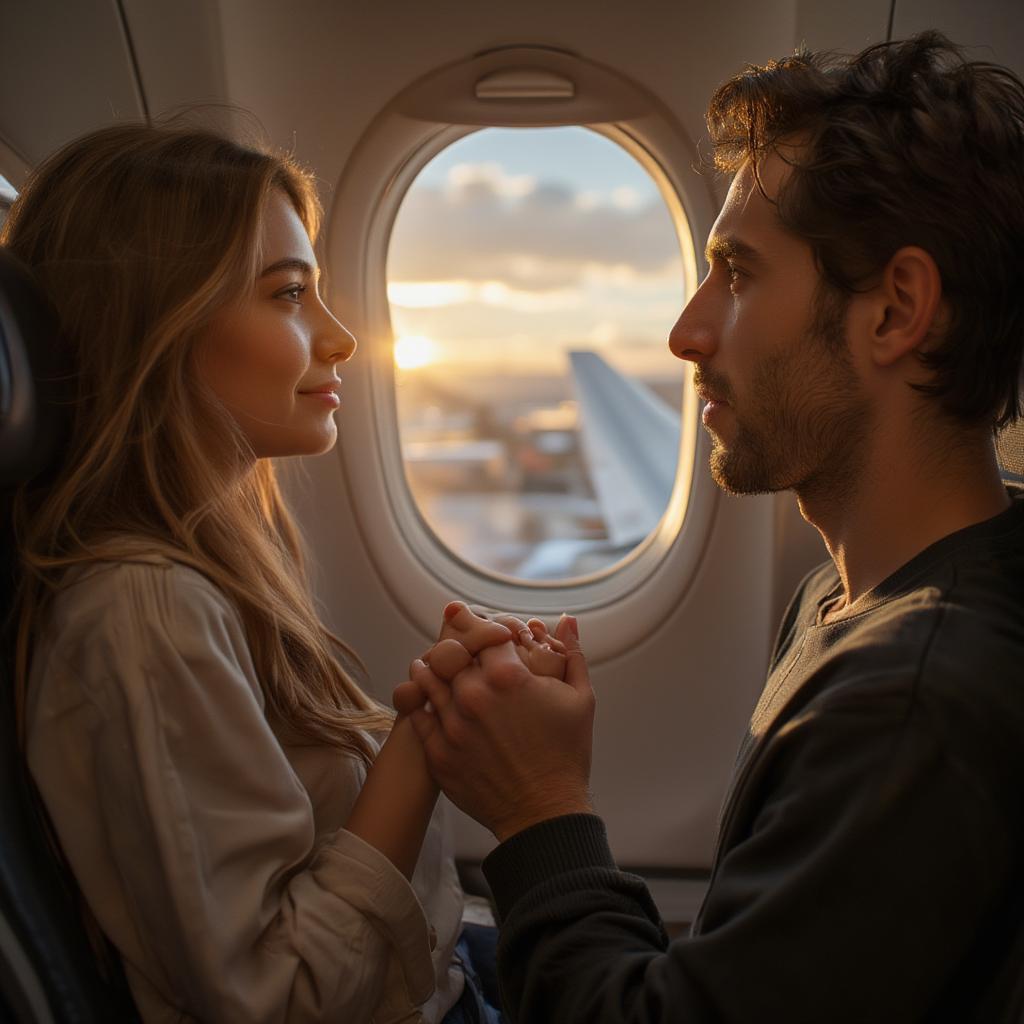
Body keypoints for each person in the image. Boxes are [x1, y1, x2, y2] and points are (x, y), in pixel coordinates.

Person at [396, 32, 1024, 1023]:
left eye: (735, 273)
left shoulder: (914, 703)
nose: (686, 331)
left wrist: (538, 808)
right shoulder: (847, 594)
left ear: (895, 310)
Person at [1, 122, 568, 1023]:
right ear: (160, 322)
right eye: (291, 294)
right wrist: (423, 737)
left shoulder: (205, 578)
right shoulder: (146, 613)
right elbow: (273, 1002)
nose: (340, 339)